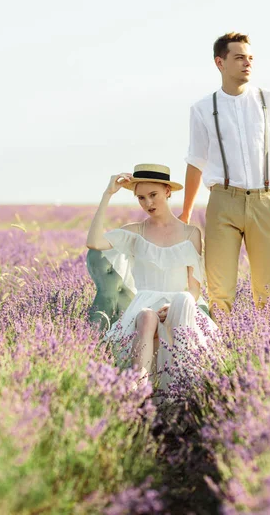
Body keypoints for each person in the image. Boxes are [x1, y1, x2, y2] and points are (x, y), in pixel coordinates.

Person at [180, 32, 270, 315]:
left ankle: (266, 355)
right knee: (219, 293)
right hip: (223, 202)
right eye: (240, 57)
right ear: (220, 62)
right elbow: (196, 162)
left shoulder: (269, 100)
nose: (247, 63)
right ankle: (218, 356)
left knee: (268, 293)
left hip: (265, 201)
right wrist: (185, 215)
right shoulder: (203, 109)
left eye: (250, 58)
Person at [86, 163, 216, 392]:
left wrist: (173, 305)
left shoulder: (191, 233)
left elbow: (195, 289)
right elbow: (94, 242)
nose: (148, 203)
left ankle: (184, 389)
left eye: (153, 195)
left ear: (168, 191)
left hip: (179, 305)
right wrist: (108, 194)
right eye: (141, 198)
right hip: (144, 305)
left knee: (183, 301)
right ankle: (139, 389)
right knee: (146, 317)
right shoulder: (135, 231)